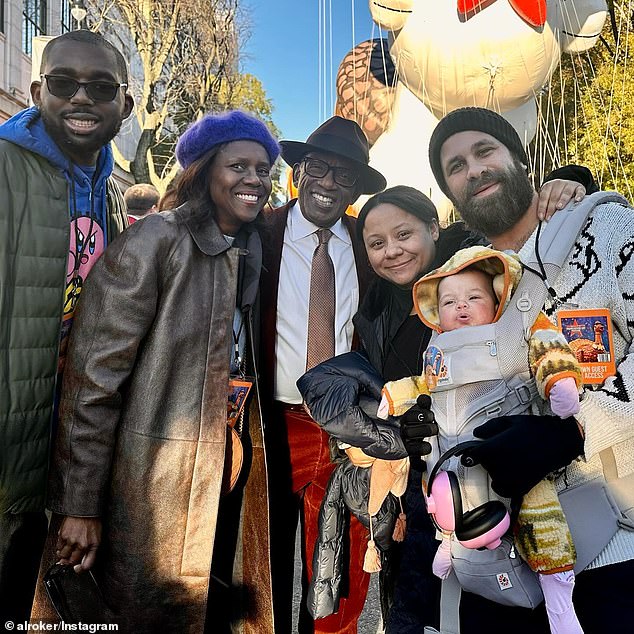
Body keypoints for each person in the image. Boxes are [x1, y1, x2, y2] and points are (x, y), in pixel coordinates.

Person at [297, 180, 587, 632]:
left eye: (404, 235)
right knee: (415, 599)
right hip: (422, 476)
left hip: (499, 458)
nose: (391, 251)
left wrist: (568, 182)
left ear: (435, 227)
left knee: (493, 590)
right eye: (377, 243)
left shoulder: (479, 270)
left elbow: (528, 238)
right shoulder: (377, 303)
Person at [34, 110, 280, 633]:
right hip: (147, 488)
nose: (254, 180)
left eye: (263, 169)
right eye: (239, 165)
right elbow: (92, 381)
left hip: (224, 473)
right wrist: (79, 504)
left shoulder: (254, 250)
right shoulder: (155, 241)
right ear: (203, 170)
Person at [427, 106, 634, 633]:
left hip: (612, 552)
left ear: (521, 160)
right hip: (496, 566)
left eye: (483, 151)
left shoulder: (606, 229)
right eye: (455, 167)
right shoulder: (462, 286)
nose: (472, 170)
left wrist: (574, 430)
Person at [380, 246, 584, 634]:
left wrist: (557, 379)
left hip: (513, 452)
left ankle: (559, 598)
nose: (461, 307)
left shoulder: (514, 331)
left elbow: (549, 347)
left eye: (474, 298)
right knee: (439, 495)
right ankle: (448, 544)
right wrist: (396, 395)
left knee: (540, 518)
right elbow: (424, 384)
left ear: (497, 300)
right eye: (449, 301)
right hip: (452, 454)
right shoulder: (436, 348)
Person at [0, 30, 133, 624]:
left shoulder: (106, 189)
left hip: (48, 455)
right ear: (37, 90)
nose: (82, 98)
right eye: (64, 83)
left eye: (101, 87)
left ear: (124, 105)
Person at [259, 115, 385, 634]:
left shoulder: (367, 246)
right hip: (270, 424)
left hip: (342, 428)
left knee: (339, 562)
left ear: (356, 188)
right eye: (318, 168)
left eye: (346, 175)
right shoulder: (259, 234)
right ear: (298, 171)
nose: (330, 183)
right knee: (261, 562)